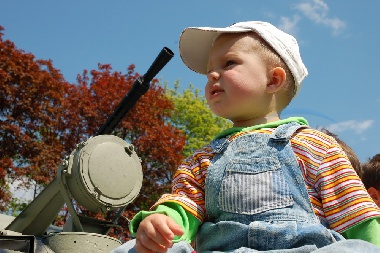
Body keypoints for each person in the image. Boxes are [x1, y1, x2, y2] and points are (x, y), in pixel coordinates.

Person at [111, 21, 380, 252]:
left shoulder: (315, 145)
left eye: (229, 63)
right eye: (208, 72)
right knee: (130, 249)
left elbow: (355, 213)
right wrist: (163, 221)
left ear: (273, 80)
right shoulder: (202, 160)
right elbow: (184, 205)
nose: (213, 75)